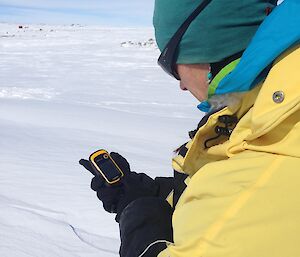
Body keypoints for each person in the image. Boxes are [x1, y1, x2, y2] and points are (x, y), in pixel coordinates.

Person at [80, 0, 300, 256]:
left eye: (171, 65)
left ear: (206, 52)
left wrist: (139, 212)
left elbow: (240, 202)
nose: (181, 86)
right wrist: (153, 193)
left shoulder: (268, 165)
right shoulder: (271, 122)